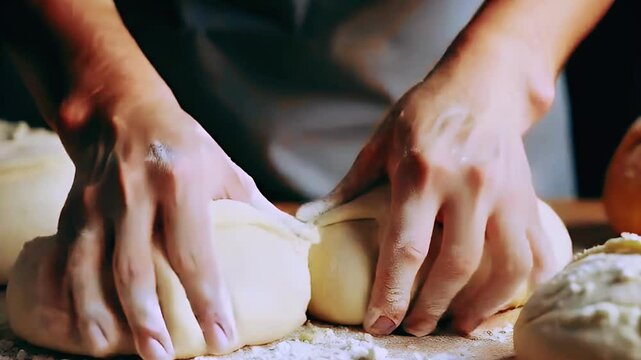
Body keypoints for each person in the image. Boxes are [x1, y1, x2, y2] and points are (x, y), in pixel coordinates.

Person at [0, 0, 612, 359]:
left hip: (467, 79)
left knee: (486, 241)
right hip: (164, 61)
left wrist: (507, 65)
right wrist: (99, 81)